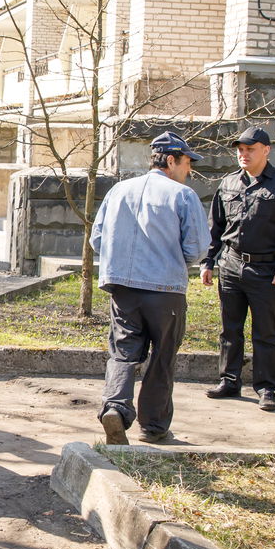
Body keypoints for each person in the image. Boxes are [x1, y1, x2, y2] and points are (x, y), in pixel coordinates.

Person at [92, 132, 210, 445]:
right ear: (171, 160)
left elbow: (97, 240)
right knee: (162, 356)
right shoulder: (183, 196)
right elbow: (197, 248)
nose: (189, 170)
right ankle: (154, 426)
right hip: (165, 290)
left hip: (123, 289)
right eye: (187, 162)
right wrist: (170, 258)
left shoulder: (119, 190)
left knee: (123, 352)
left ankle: (115, 408)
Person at [201, 127, 275, 412]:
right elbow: (216, 226)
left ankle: (266, 387)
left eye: (250, 149)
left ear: (266, 150)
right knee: (230, 328)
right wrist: (208, 261)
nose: (243, 154)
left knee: (266, 331)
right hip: (231, 264)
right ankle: (229, 380)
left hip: (266, 268)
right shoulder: (228, 183)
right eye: (240, 149)